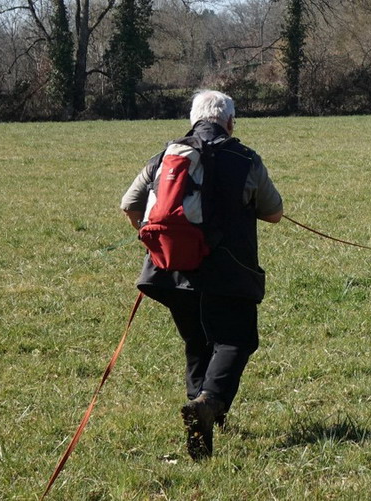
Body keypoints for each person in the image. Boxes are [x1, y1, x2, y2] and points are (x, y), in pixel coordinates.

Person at [120, 90, 283, 460]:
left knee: (197, 341)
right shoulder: (246, 159)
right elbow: (274, 213)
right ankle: (209, 403)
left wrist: (159, 243)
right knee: (236, 340)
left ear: (193, 120)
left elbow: (129, 204)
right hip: (229, 271)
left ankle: (201, 414)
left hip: (171, 272)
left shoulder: (167, 155)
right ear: (230, 122)